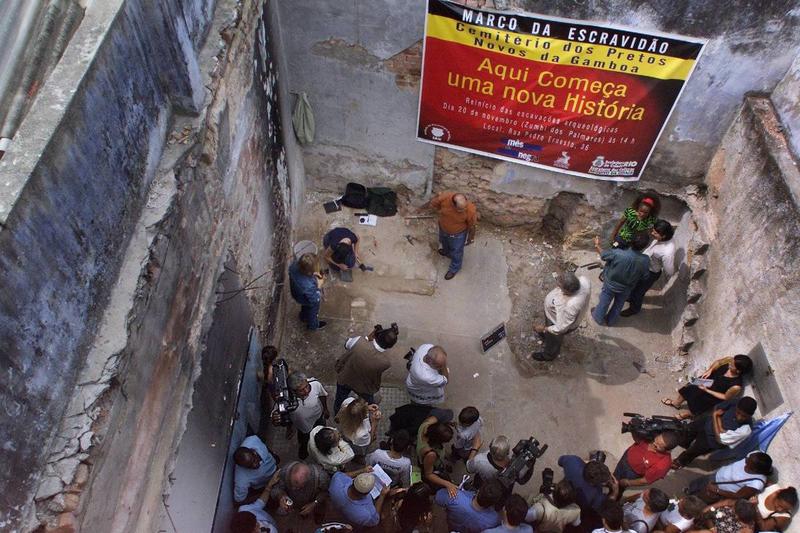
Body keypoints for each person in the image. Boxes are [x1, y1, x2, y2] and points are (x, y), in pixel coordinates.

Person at [673, 396, 757, 469]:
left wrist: (716, 417)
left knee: (694, 451)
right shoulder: (735, 402)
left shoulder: (746, 429)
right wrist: (721, 429)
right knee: (688, 432)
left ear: (750, 415)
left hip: (711, 441)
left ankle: (680, 461)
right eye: (738, 412)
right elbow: (717, 408)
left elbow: (720, 439)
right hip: (706, 423)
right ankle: (685, 444)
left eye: (744, 416)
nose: (739, 417)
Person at [334, 323, 400, 414]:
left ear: (377, 335)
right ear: (390, 346)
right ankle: (371, 410)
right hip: (364, 387)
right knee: (370, 399)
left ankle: (338, 413)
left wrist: (367, 338)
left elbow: (347, 344)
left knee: (340, 399)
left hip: (345, 378)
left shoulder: (359, 342)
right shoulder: (385, 363)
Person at [662, 355, 753, 419]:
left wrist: (707, 391)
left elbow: (725, 397)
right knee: (687, 388)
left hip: (713, 394)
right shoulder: (729, 359)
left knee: (697, 407)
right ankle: (676, 403)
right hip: (706, 381)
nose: (730, 364)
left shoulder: (736, 386)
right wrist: (710, 370)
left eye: (732, 365)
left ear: (738, 371)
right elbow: (718, 362)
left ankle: (685, 415)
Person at [592, 232, 650, 326]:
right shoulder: (645, 260)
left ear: (631, 242)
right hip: (627, 287)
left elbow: (603, 255)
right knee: (619, 304)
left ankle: (598, 317)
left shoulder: (617, 253)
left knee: (604, 301)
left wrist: (597, 244)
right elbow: (645, 276)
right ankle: (611, 321)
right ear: (644, 246)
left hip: (610, 284)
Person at [620, 219, 676, 317]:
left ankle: (634, 309)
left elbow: (669, 271)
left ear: (664, 236)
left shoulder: (668, 252)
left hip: (650, 272)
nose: (652, 233)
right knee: (634, 285)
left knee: (639, 292)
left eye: (655, 232)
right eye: (653, 230)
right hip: (643, 267)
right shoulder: (661, 239)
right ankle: (630, 297)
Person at [532, 271, 591, 361]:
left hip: (556, 321)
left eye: (559, 286)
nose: (557, 286)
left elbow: (561, 328)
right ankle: (547, 337)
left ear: (567, 291)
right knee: (550, 336)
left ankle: (549, 355)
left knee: (554, 339)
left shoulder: (570, 305)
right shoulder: (584, 281)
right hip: (554, 316)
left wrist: (544, 328)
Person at [272, 372, 330, 460]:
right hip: (303, 427)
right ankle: (304, 451)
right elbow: (277, 418)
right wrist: (277, 420)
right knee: (304, 441)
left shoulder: (315, 384)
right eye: (301, 390)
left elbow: (322, 395)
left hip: (319, 418)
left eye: (307, 386)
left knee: (322, 435)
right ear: (293, 391)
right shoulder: (285, 400)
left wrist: (325, 409)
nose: (306, 391)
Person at [426, 190, 478, 280]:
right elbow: (433, 204)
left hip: (458, 235)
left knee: (457, 252)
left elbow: (472, 226)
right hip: (443, 228)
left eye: (464, 207)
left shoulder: (470, 210)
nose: (463, 210)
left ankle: (454, 268)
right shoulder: (445, 198)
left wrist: (471, 238)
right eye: (460, 209)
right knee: (443, 242)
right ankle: (446, 252)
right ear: (453, 205)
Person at [687, 452, 773, 503]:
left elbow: (739, 496)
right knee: (697, 483)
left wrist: (716, 490)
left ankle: (687, 501)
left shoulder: (756, 483)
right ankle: (688, 490)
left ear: (755, 469)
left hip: (718, 490)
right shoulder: (754, 455)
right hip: (716, 476)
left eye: (748, 461)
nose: (746, 459)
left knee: (700, 498)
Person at [328, 467, 399, 529]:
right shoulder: (366, 515)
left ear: (353, 481)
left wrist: (362, 470)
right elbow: (375, 520)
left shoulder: (338, 481)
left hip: (334, 508)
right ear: (367, 493)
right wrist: (382, 496)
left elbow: (342, 475)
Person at [613, 431, 680, 491]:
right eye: (656, 440)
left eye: (658, 446)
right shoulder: (651, 435)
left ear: (667, 450)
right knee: (614, 477)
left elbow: (646, 480)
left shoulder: (663, 465)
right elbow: (638, 440)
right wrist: (633, 430)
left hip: (631, 473)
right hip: (626, 457)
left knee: (618, 487)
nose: (653, 444)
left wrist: (628, 482)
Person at [435, 478, 504, 533]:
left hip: (452, 526)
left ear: (478, 490)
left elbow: (438, 497)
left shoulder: (455, 497)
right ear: (493, 503)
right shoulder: (494, 519)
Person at [416, 414, 457, 495]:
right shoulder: (431, 454)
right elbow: (428, 474)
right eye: (446, 441)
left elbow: (436, 417)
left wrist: (447, 423)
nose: (448, 442)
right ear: (437, 440)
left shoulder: (425, 425)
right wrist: (448, 484)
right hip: (432, 465)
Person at [233, 435, 278, 504]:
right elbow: (239, 500)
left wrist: (273, 455)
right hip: (265, 486)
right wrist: (264, 495)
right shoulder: (241, 480)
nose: (255, 465)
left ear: (254, 451)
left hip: (275, 469)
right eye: (249, 466)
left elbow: (264, 446)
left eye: (254, 460)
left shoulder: (252, 440)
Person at [289, 252, 326, 330]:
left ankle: (303, 316)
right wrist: (319, 285)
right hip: (307, 298)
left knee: (305, 308)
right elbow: (315, 299)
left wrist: (313, 273)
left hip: (297, 294)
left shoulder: (293, 266)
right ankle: (313, 326)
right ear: (309, 272)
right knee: (313, 312)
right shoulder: (308, 286)